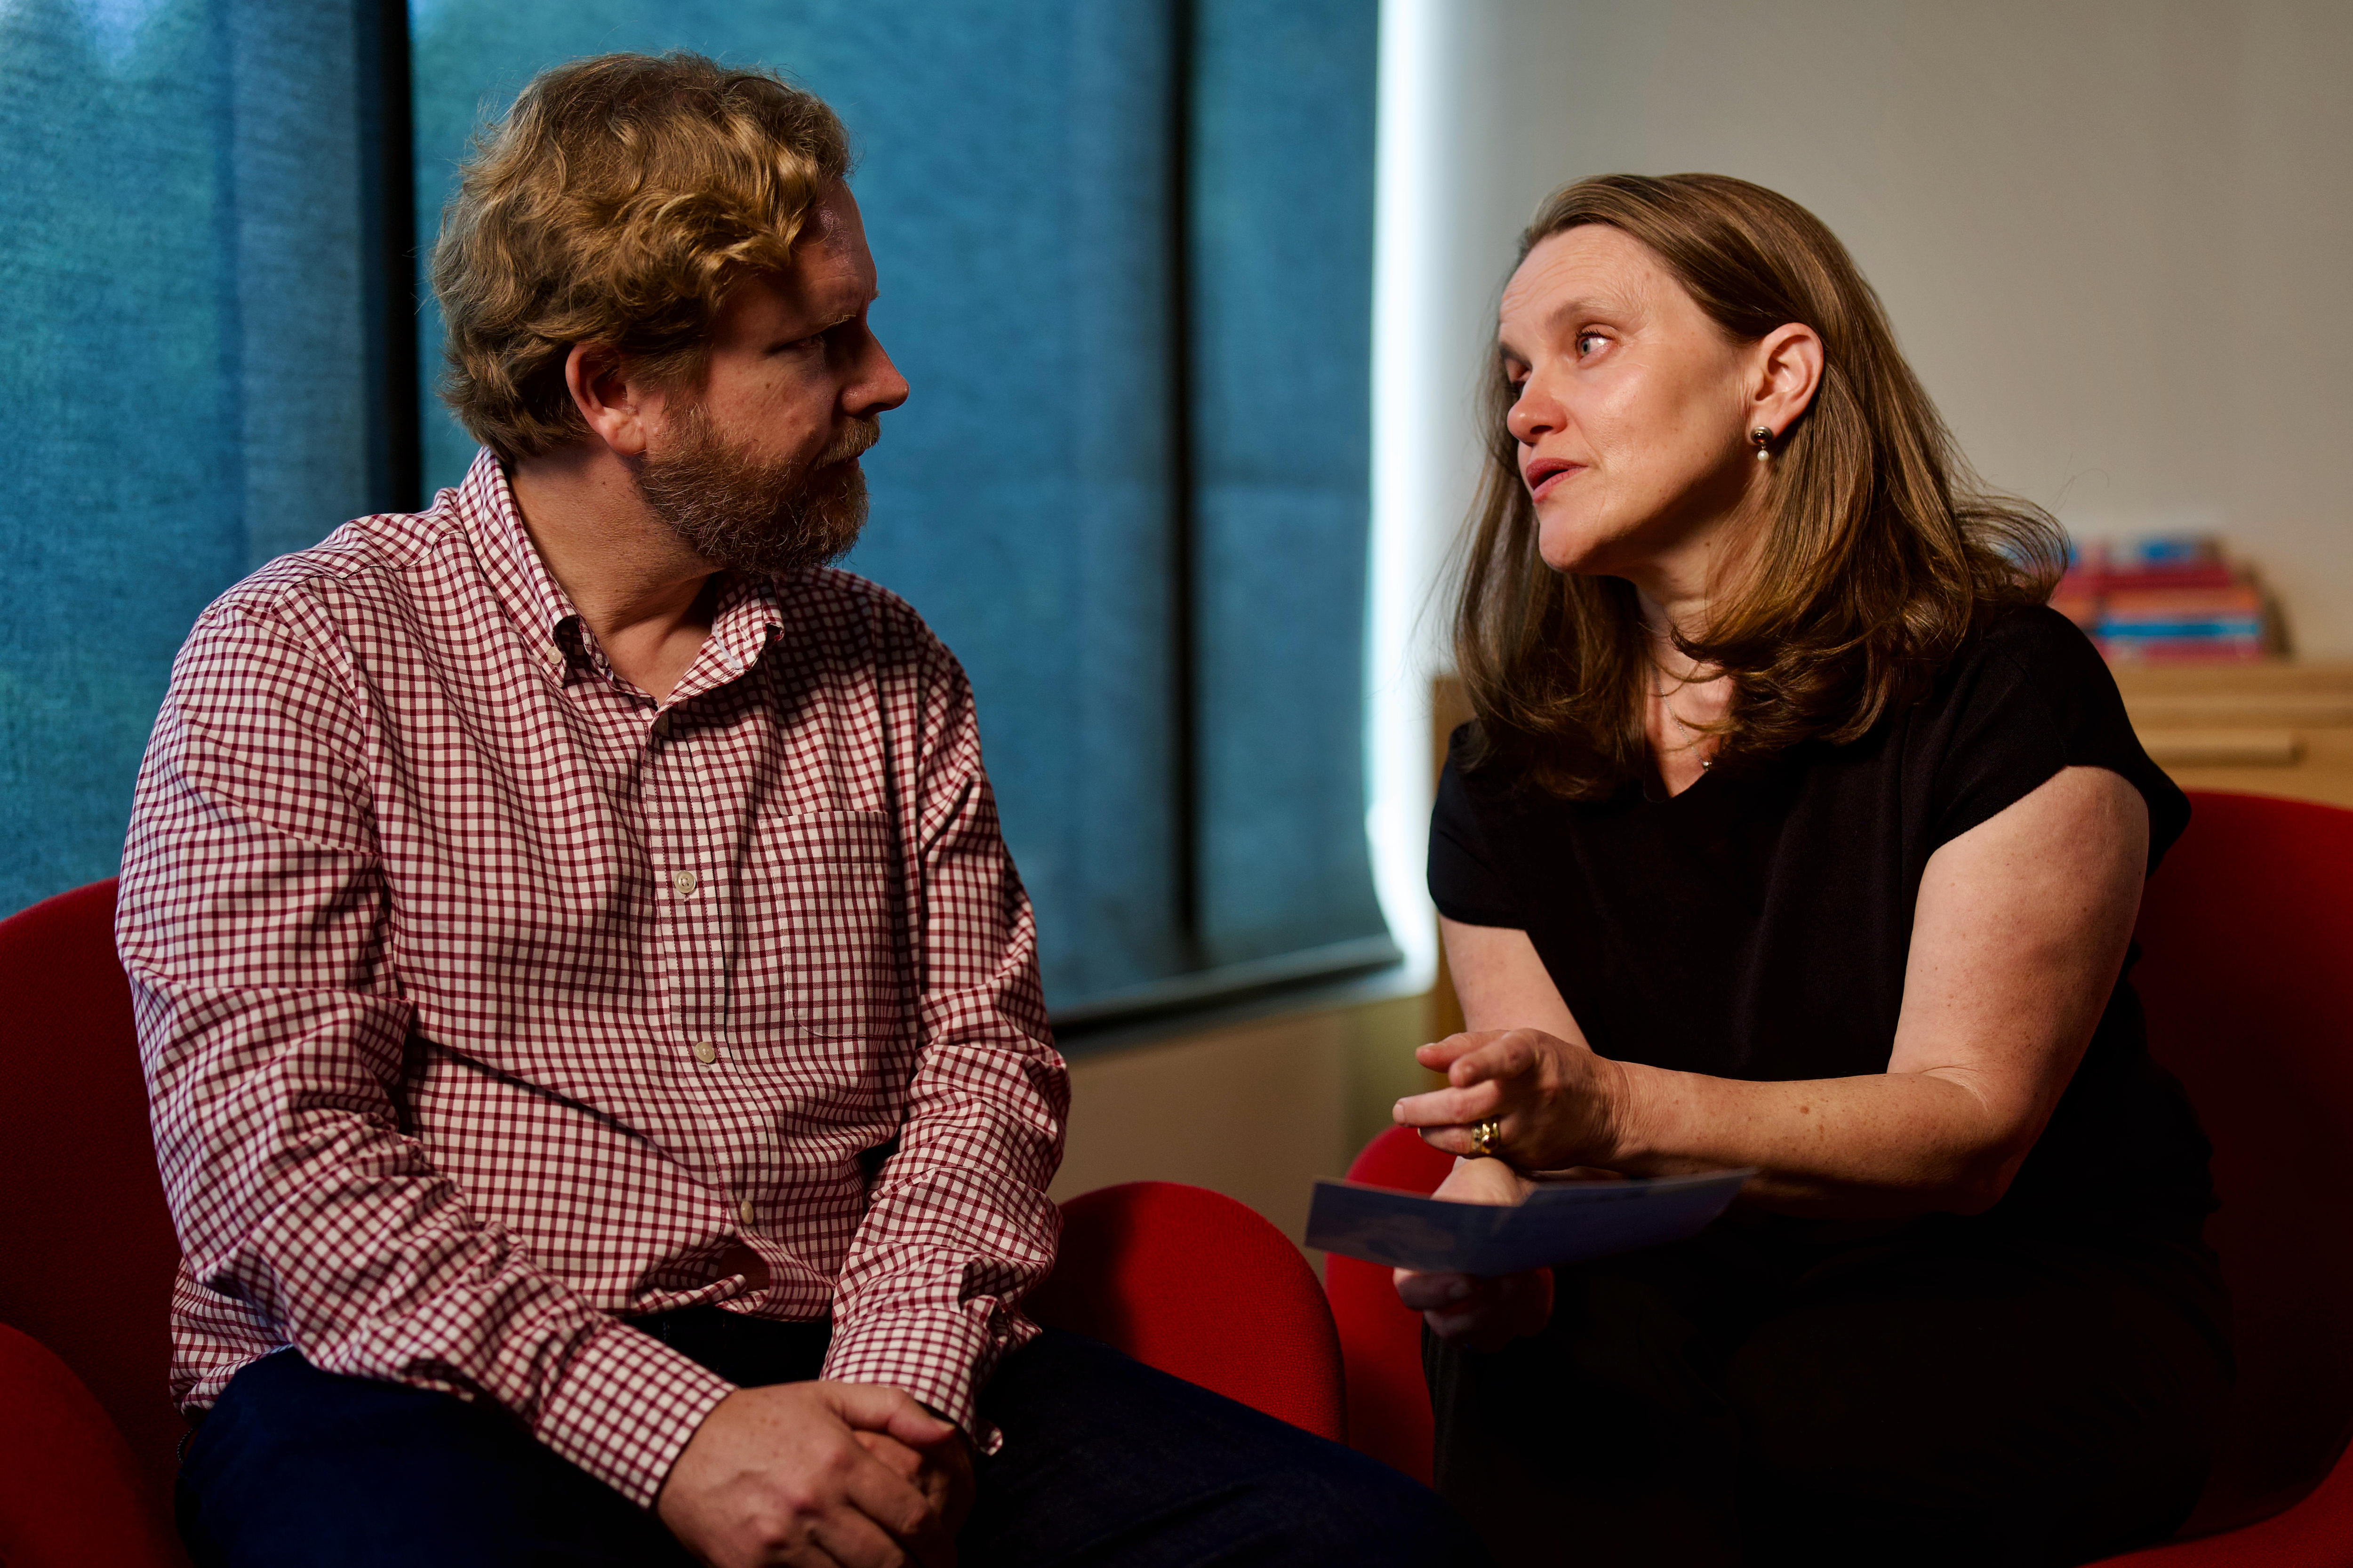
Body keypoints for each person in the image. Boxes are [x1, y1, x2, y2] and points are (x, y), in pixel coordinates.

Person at [119, 52, 1478, 1568]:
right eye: (818, 343)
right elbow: (281, 1164)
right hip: (422, 1384)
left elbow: (985, 1069)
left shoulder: (892, 665)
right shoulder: (299, 657)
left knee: (1375, 1549)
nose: (884, 380)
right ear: (613, 389)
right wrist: (680, 1435)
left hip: (846, 1348)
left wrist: (896, 1394)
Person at [1387, 173, 2230, 1568]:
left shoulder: (2009, 688)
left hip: (2025, 1292)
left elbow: (1968, 1134)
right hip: (1688, 1286)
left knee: (1792, 1410)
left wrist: (1608, 1113)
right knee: (1536, 1365)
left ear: (1775, 378)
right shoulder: (1501, 772)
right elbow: (1540, 1123)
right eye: (1515, 373)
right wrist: (1500, 1206)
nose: (1526, 410)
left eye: (1589, 344)